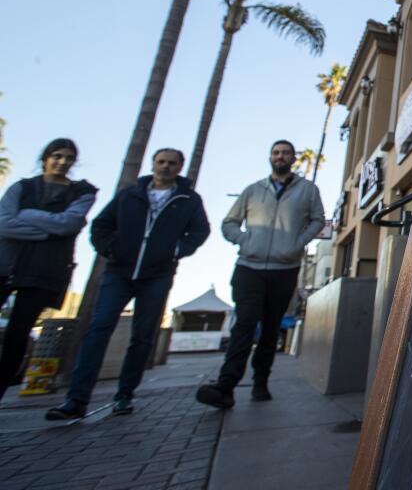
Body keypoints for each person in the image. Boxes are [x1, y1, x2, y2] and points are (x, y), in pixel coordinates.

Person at [46, 148, 208, 419]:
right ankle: (76, 399)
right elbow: (101, 225)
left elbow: (200, 231)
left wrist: (176, 250)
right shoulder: (130, 195)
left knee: (143, 336)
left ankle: (125, 395)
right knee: (98, 329)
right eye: (161, 162)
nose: (165, 167)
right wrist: (111, 249)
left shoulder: (188, 199)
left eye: (171, 163)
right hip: (119, 271)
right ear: (153, 164)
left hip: (157, 274)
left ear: (180, 167)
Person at [196, 139, 324, 409]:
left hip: (285, 269)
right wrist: (243, 240)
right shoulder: (253, 190)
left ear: (293, 158)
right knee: (244, 324)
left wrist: (297, 244)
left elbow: (318, 221)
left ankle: (260, 383)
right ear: (270, 157)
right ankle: (226, 386)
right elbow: (229, 222)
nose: (281, 156)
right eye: (276, 153)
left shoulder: (308, 190)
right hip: (249, 268)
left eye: (286, 153)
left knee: (270, 328)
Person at [0, 139, 97, 403]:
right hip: (6, 265)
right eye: (57, 156)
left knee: (18, 335)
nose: (62, 162)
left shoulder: (82, 192)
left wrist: (27, 215)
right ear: (45, 158)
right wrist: (47, 232)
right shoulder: (21, 187)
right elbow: (3, 223)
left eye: (68, 158)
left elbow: (68, 224)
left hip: (43, 271)